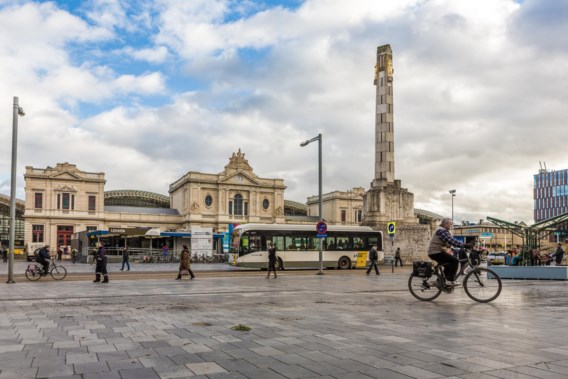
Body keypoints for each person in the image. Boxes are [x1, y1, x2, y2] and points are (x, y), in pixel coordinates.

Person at [427, 218, 471, 284]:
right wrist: (464, 244)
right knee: (455, 261)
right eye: (450, 224)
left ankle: (440, 281)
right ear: (445, 224)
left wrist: (454, 247)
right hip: (435, 252)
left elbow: (448, 243)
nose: (451, 226)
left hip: (436, 252)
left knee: (448, 265)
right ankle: (450, 279)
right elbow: (450, 240)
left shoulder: (442, 230)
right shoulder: (441, 231)